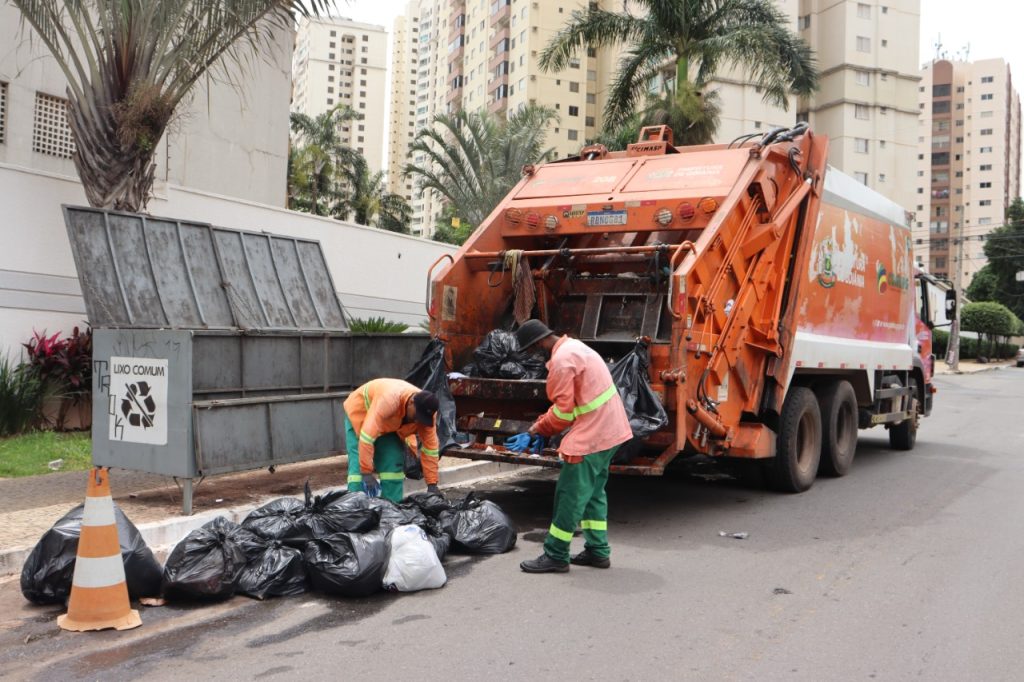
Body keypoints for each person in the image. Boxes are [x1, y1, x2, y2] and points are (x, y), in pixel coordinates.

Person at [507, 320, 632, 573]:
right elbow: (573, 405)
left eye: (530, 350)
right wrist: (542, 426)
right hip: (611, 430)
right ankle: (598, 551)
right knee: (593, 494)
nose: (532, 356)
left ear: (539, 343)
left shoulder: (561, 362)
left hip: (593, 435)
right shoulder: (575, 348)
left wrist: (535, 430)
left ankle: (556, 554)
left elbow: (563, 414)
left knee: (569, 496)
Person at [342, 378, 441, 502]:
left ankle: (392, 508)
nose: (417, 421)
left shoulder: (428, 413)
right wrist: (366, 473)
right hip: (360, 414)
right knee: (358, 472)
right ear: (411, 402)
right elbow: (366, 438)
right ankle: (354, 507)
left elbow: (431, 449)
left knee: (393, 464)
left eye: (421, 418)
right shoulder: (389, 400)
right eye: (417, 416)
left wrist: (432, 484)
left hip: (390, 424)